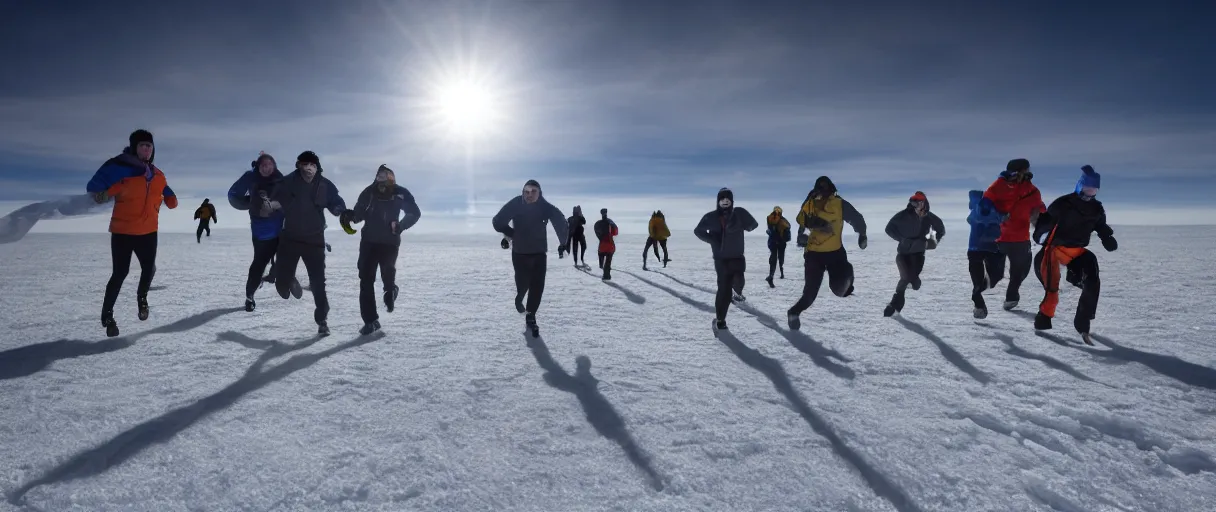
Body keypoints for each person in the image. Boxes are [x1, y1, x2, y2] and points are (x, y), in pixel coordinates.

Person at [85, 129, 178, 337]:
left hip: (148, 232)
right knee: (120, 273)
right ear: (135, 148)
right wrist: (104, 193)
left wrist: (171, 198)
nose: (146, 149)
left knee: (149, 269)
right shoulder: (119, 167)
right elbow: (94, 187)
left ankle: (142, 299)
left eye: (150, 146)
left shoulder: (157, 174)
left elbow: (167, 191)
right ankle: (107, 315)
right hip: (123, 232)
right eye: (142, 145)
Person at [262, 151, 348, 335]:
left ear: (317, 167)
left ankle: (322, 320)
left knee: (318, 283)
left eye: (312, 165)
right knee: (282, 287)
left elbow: (336, 203)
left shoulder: (324, 185)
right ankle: (288, 280)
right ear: (298, 165)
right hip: (290, 238)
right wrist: (269, 205)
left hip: (314, 240)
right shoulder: (288, 182)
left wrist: (340, 210)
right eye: (304, 164)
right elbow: (274, 198)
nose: (308, 168)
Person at [1031, 165, 1117, 344]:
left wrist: (1106, 237)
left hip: (1076, 252)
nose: (1089, 193)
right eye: (1087, 189)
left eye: (1093, 190)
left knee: (1092, 278)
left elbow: (1100, 225)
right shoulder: (1063, 204)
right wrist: (1040, 236)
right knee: (1052, 288)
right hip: (1054, 250)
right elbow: (1045, 222)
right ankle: (1044, 319)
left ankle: (1083, 321)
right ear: (1079, 186)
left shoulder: (1097, 208)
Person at [344, 165, 421, 335]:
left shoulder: (400, 192)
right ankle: (371, 321)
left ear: (392, 177)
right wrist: (350, 217)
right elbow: (359, 213)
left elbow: (414, 212)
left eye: (385, 175)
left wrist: (401, 226)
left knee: (387, 271)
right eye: (379, 175)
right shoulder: (368, 192)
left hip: (389, 242)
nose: (382, 178)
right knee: (366, 280)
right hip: (368, 242)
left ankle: (391, 290)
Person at [786, 176, 867, 331]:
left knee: (839, 289)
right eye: (819, 188)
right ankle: (793, 313)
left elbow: (857, 219)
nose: (822, 192)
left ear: (831, 189)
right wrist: (803, 232)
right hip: (813, 255)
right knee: (810, 294)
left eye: (825, 188)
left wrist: (862, 234)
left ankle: (846, 281)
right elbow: (800, 219)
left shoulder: (839, 204)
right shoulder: (810, 203)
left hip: (835, 253)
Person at [492, 179, 569, 337]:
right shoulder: (516, 203)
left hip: (539, 253)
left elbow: (559, 220)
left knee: (537, 286)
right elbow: (498, 221)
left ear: (539, 193)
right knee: (523, 283)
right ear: (523, 192)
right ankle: (520, 296)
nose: (530, 194)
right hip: (520, 253)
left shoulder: (544, 206)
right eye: (527, 191)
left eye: (534, 191)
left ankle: (531, 316)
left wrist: (563, 242)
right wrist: (512, 234)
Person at [227, 152, 301, 312]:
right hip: (262, 233)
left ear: (274, 166)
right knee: (259, 264)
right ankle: (250, 296)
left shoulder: (281, 179)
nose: (267, 168)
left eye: (270, 165)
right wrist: (250, 202)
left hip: (281, 228)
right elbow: (233, 195)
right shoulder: (250, 178)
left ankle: (286, 276)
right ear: (258, 167)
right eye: (263, 165)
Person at [983, 158, 1046, 310]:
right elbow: (985, 206)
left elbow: (1040, 209)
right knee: (995, 275)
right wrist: (997, 215)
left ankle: (1011, 296)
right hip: (999, 238)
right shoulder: (998, 186)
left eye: (1027, 170)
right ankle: (981, 287)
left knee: (1020, 271)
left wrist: (1041, 217)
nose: (1027, 173)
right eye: (1025, 170)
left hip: (1020, 239)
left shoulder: (1032, 190)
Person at [694, 187, 758, 332]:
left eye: (727, 198)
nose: (725, 201)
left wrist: (744, 221)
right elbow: (698, 231)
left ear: (732, 201)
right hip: (721, 258)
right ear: (718, 201)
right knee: (724, 290)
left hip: (737, 255)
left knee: (739, 280)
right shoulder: (711, 217)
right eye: (722, 198)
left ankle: (737, 293)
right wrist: (712, 240)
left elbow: (752, 225)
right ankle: (720, 320)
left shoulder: (739, 213)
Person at [882, 191, 945, 317]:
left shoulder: (930, 217)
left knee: (914, 283)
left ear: (923, 203)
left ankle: (915, 283)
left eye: (917, 202)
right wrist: (902, 239)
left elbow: (940, 230)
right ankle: (893, 306)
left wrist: (932, 241)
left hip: (918, 255)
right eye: (913, 202)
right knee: (906, 277)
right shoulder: (903, 215)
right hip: (903, 254)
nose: (915, 205)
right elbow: (889, 228)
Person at [967, 190, 1005, 319]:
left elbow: (971, 219)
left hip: (985, 248)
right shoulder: (984, 209)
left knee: (992, 278)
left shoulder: (978, 209)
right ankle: (978, 303)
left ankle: (977, 295)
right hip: (982, 248)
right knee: (987, 279)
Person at [764, 206, 792, 287]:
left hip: (772, 241)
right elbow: (788, 226)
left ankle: (771, 275)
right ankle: (781, 273)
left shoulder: (769, 218)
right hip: (781, 242)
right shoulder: (783, 220)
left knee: (773, 257)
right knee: (780, 257)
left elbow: (770, 229)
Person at [593, 208, 619, 280]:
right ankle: (606, 275)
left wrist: (601, 238)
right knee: (608, 259)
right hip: (610, 244)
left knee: (600, 253)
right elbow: (615, 232)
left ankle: (601, 265)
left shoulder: (598, 223)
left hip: (602, 244)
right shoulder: (610, 222)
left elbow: (596, 232)